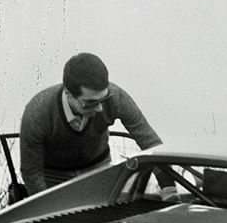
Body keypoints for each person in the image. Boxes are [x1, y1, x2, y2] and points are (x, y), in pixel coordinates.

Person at [20, 53, 164, 195]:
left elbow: (150, 143)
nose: (99, 108)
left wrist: (168, 187)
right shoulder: (37, 113)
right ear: (68, 93)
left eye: (103, 99)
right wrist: (45, 209)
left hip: (98, 167)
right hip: (53, 175)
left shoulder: (117, 97)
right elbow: (31, 172)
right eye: (90, 103)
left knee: (110, 213)